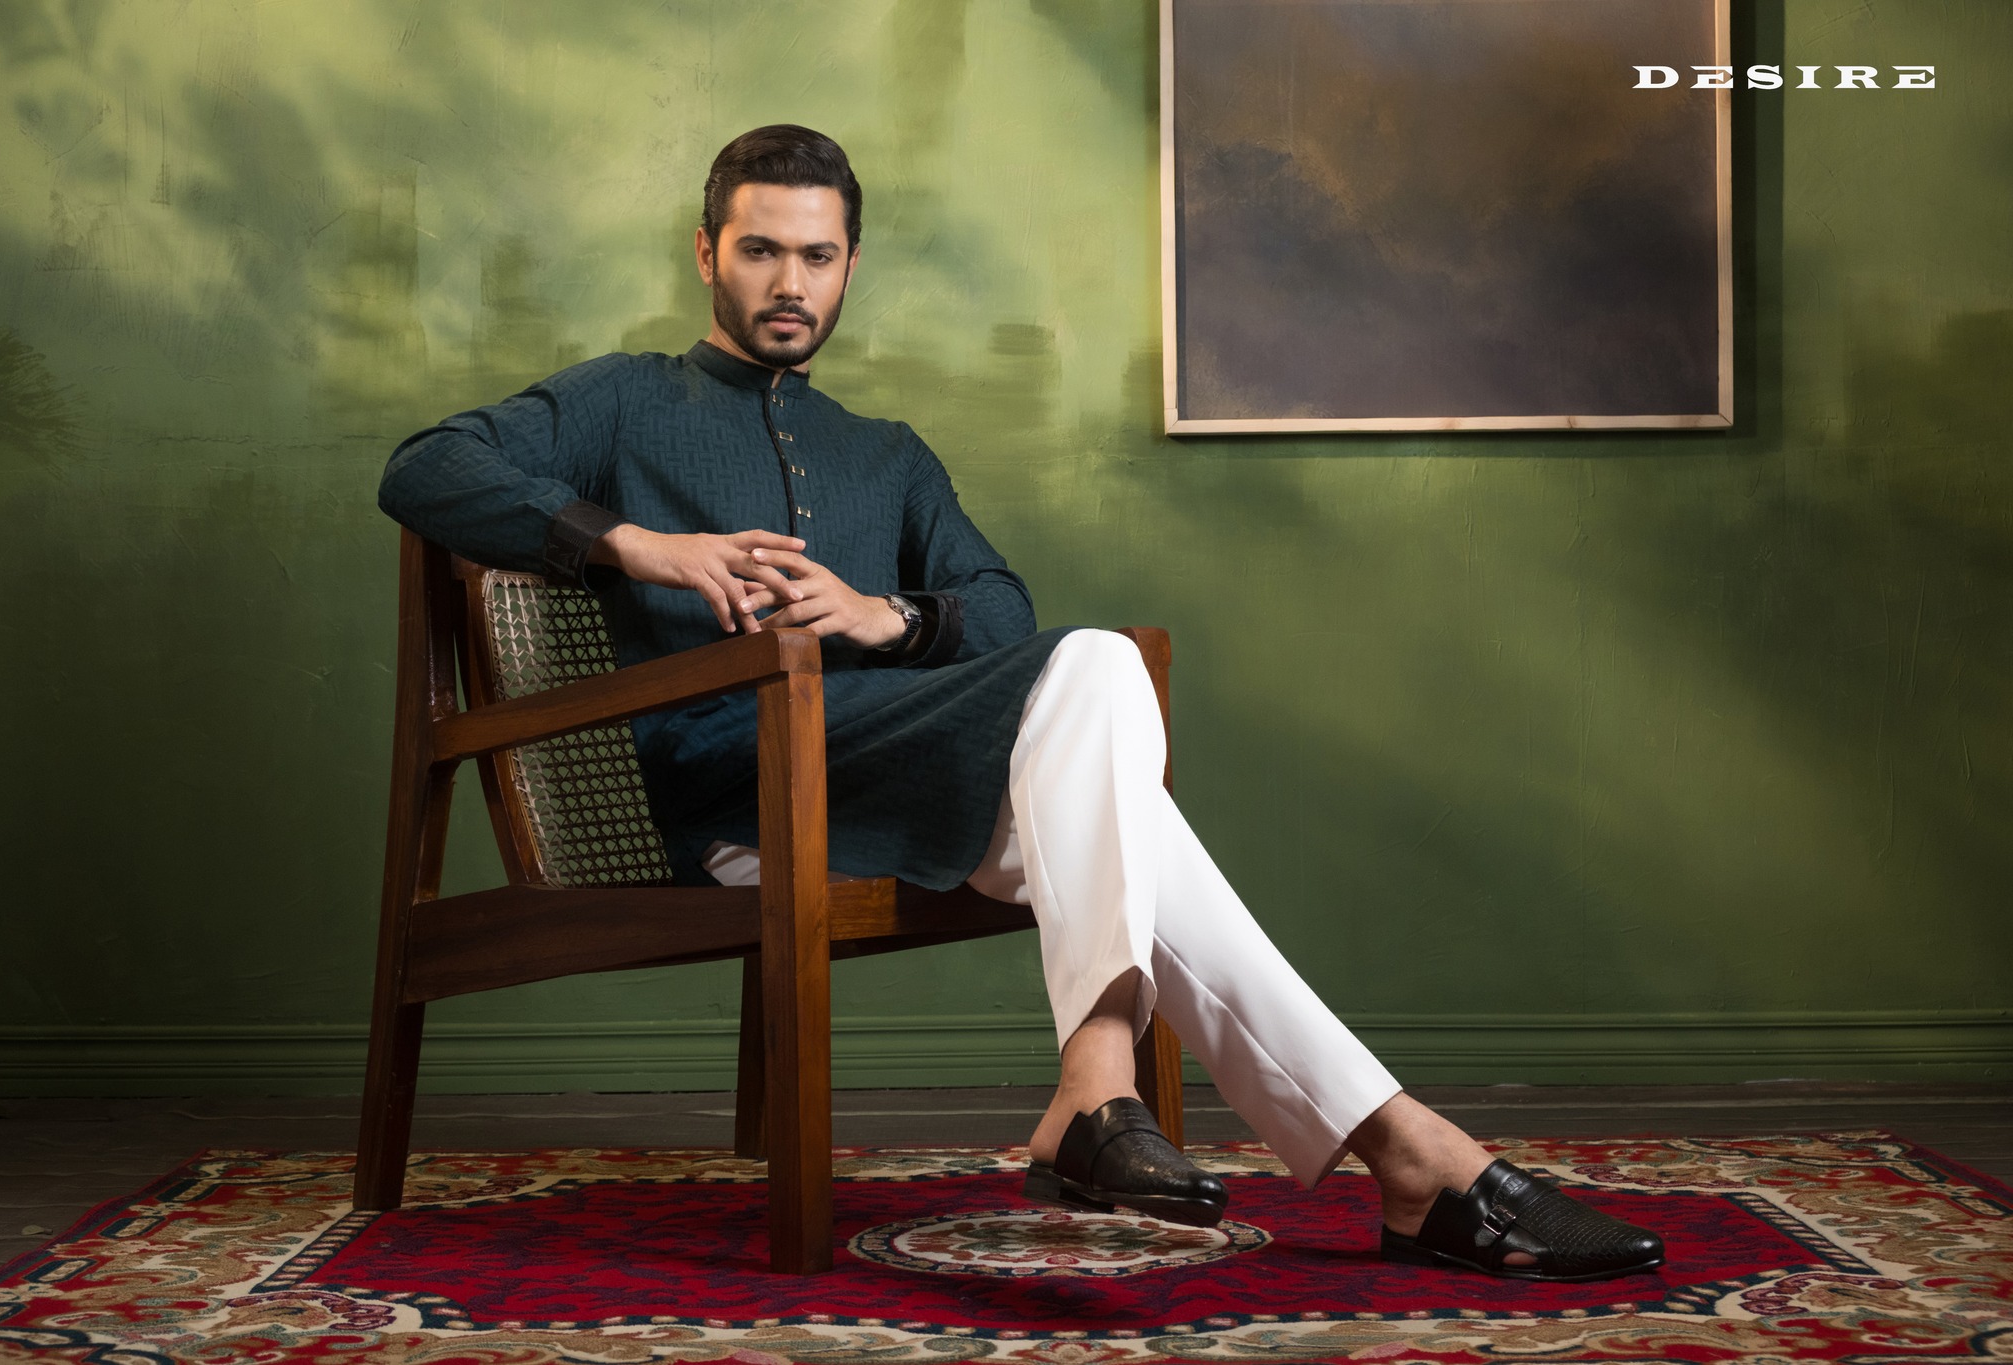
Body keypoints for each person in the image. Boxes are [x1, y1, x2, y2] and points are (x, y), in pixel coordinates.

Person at [378, 124, 1663, 1283]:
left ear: (850, 264)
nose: (788, 284)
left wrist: (883, 617)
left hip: (903, 787)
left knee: (1095, 690)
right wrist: (639, 547)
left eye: (816, 256)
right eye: (760, 251)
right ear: (706, 252)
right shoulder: (623, 401)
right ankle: (1391, 1155)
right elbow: (425, 468)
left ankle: (1200, 1115)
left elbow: (994, 606)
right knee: (1104, 697)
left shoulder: (887, 453)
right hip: (742, 797)